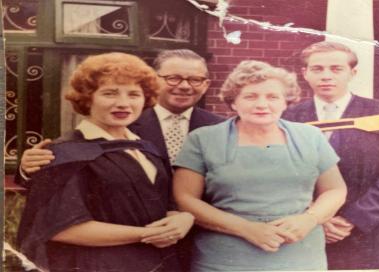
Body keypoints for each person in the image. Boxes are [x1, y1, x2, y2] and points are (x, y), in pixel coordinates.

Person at [16, 49, 224, 271]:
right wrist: (146, 234)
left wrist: (182, 218)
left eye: (133, 94)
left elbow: (166, 202)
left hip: (159, 261)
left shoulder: (146, 149)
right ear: (87, 98)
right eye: (110, 93)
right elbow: (60, 228)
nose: (123, 103)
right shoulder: (66, 153)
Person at [173, 60, 347, 271]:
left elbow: (335, 189)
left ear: (286, 102)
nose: (262, 105)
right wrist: (246, 229)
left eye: (273, 97)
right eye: (250, 96)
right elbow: (185, 198)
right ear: (233, 102)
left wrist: (309, 220)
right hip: (225, 257)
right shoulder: (203, 139)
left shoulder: (310, 136)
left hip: (299, 252)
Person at [282, 41, 379, 269]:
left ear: (352, 72)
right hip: (304, 229)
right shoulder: (288, 117)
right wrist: (316, 218)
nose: (326, 76)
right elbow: (281, 177)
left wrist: (353, 219)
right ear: (304, 73)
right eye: (317, 69)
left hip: (369, 231)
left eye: (336, 69)